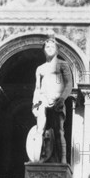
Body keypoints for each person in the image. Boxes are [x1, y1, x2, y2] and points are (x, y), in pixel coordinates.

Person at [31, 36, 73, 164]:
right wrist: (35, 105)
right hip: (43, 99)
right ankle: (37, 159)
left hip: (57, 99)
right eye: (47, 47)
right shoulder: (40, 68)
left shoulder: (63, 64)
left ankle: (63, 159)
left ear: (57, 50)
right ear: (44, 50)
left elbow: (69, 84)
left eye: (52, 47)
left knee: (59, 131)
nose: (49, 49)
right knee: (39, 129)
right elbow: (37, 89)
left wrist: (62, 98)